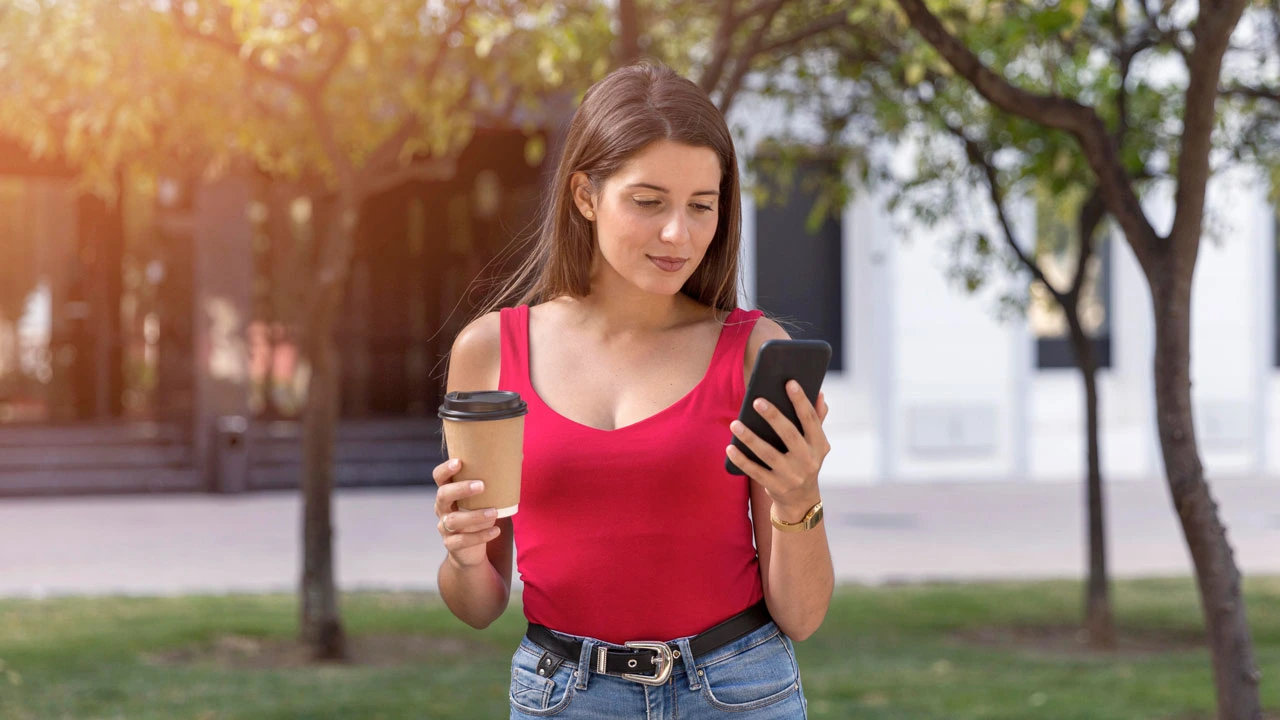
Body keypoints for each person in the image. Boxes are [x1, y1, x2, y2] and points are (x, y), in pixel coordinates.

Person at [432, 62, 835, 719]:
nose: (679, 233)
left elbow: (803, 614)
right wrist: (463, 554)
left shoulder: (753, 350)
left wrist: (801, 496)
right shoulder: (489, 352)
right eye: (649, 202)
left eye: (702, 206)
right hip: (564, 697)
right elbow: (477, 604)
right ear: (585, 195)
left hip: (737, 693)